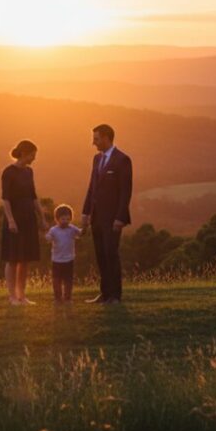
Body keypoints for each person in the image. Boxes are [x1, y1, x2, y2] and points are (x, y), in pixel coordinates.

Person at [81, 124, 132, 304]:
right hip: (96, 217)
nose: (93, 143)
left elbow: (125, 192)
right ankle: (104, 294)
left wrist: (120, 217)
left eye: (96, 139)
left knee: (111, 254)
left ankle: (115, 296)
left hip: (112, 218)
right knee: (101, 255)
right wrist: (85, 213)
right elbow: (91, 188)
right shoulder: (96, 159)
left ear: (106, 138)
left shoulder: (122, 160)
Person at [1, 139, 47, 305]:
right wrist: (11, 220)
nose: (34, 158)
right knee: (12, 259)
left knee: (25, 259)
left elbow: (33, 196)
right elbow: (5, 199)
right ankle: (12, 296)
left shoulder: (29, 172)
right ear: (24, 154)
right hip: (15, 220)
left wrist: (42, 217)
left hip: (29, 219)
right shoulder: (8, 172)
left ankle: (22, 295)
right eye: (32, 155)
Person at [45, 204, 82, 303]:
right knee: (56, 280)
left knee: (68, 280)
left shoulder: (72, 228)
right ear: (57, 219)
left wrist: (85, 226)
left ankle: (68, 298)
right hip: (56, 259)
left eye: (68, 219)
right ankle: (57, 298)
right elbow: (48, 237)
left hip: (69, 259)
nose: (65, 221)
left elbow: (80, 233)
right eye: (63, 219)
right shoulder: (54, 230)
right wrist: (48, 237)